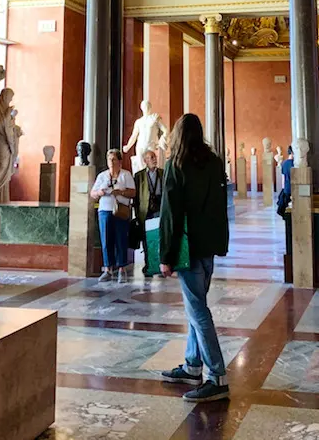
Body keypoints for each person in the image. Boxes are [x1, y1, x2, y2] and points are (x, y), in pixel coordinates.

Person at [160, 113, 230, 403]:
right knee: (195, 306)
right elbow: (220, 206)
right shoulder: (214, 163)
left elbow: (170, 214)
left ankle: (217, 376)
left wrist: (166, 255)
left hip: (188, 250)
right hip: (208, 246)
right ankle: (192, 365)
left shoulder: (176, 165)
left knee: (198, 311)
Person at [91, 148, 135, 283]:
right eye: (109, 159)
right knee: (106, 240)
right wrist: (100, 192)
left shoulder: (126, 175)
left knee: (121, 239)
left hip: (121, 211)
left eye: (114, 159)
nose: (111, 162)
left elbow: (133, 192)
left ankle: (122, 268)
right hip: (105, 210)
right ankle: (108, 269)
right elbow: (93, 194)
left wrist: (120, 192)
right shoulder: (102, 176)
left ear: (119, 161)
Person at [133, 149, 163, 277]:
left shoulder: (162, 173)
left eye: (154, 157)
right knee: (146, 238)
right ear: (145, 161)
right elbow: (136, 196)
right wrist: (137, 212)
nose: (154, 159)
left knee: (159, 236)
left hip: (159, 208)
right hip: (145, 210)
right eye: (151, 157)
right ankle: (148, 264)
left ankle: (160, 264)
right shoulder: (139, 176)